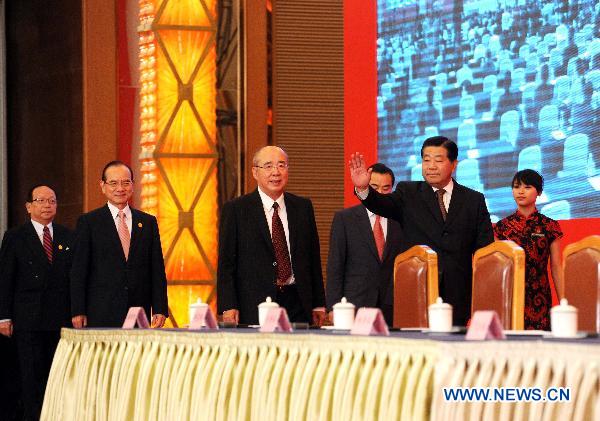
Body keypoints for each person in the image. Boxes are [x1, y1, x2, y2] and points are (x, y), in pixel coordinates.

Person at [349, 136, 494, 325]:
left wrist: (483, 298)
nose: (431, 166)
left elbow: (484, 250)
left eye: (438, 160)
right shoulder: (408, 193)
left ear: (454, 164)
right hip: (414, 291)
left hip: (458, 297)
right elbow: (381, 204)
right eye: (426, 160)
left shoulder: (473, 200)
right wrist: (363, 189)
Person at [217, 146, 326, 326]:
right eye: (268, 166)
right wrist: (228, 305)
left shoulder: (303, 207)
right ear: (255, 172)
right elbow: (226, 264)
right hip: (254, 303)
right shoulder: (236, 209)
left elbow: (313, 259)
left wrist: (319, 303)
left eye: (281, 165)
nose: (276, 172)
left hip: (298, 302)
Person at [0, 185, 73, 421]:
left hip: (60, 320)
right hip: (28, 319)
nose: (47, 205)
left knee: (57, 377)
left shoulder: (67, 236)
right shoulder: (15, 237)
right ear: (28, 206)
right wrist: (4, 316)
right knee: (31, 379)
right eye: (41, 200)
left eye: (52, 200)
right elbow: (5, 278)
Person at [70, 161, 168, 328]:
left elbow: (156, 269)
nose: (120, 188)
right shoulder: (89, 222)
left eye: (126, 182)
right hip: (100, 312)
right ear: (103, 186)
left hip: (139, 313)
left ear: (133, 185)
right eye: (113, 183)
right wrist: (77, 310)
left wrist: (160, 308)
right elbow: (79, 271)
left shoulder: (148, 222)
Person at [326, 163, 402, 325]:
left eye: (386, 188)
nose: (380, 193)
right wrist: (333, 306)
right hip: (354, 304)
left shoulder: (400, 220)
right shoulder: (345, 219)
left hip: (392, 306)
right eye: (374, 187)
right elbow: (335, 265)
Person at [494, 169, 562, 330]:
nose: (521, 191)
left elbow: (556, 267)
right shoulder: (501, 227)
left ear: (539, 192)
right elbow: (497, 269)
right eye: (517, 187)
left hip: (540, 298)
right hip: (510, 296)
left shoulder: (550, 226)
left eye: (527, 187)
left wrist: (565, 303)